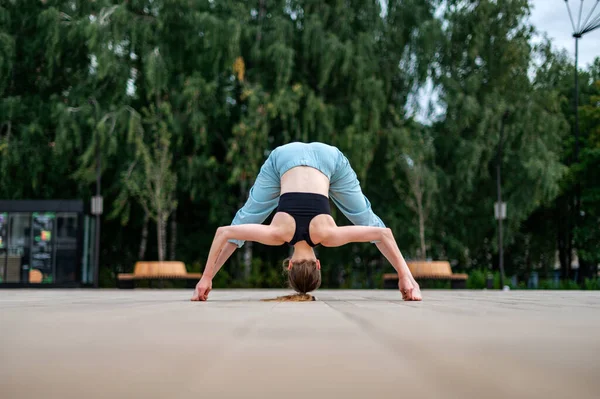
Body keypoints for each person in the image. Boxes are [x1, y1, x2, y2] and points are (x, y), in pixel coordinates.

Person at [191, 142, 422, 301]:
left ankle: (412, 286)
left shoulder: (328, 235)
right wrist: (206, 279)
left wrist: (404, 276)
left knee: (369, 223)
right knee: (241, 223)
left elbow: (383, 233)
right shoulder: (277, 233)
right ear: (289, 264)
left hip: (328, 157)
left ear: (318, 265)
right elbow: (224, 233)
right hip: (283, 157)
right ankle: (411, 283)